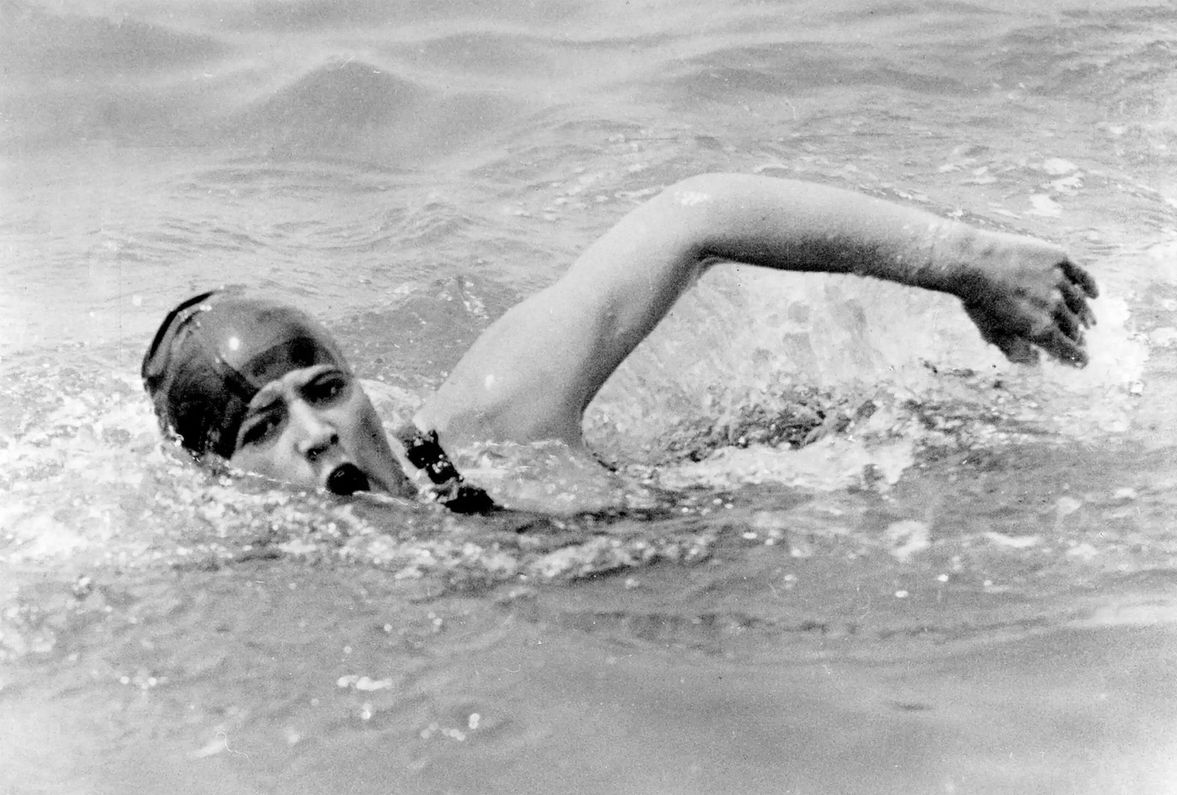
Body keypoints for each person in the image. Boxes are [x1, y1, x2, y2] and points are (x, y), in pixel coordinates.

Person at [142, 173, 1098, 512]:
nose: (317, 431)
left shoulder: (487, 423)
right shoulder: (263, 583)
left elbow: (695, 215)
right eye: (262, 427)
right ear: (219, 479)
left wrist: (962, 259)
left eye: (326, 386)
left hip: (818, 476)